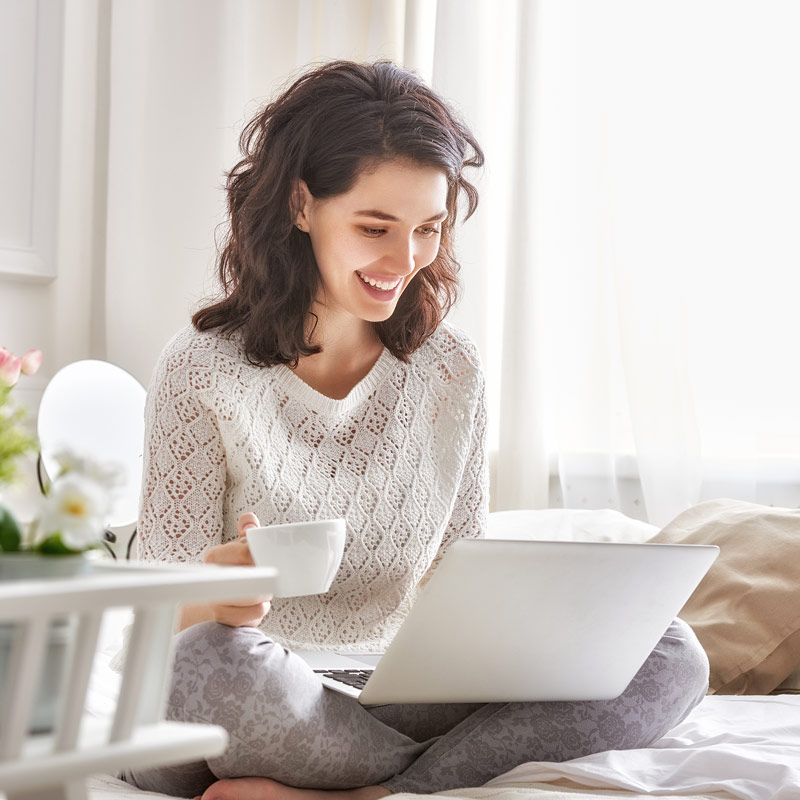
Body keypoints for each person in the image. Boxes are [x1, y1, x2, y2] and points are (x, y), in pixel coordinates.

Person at [123, 60, 709, 800]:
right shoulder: (202, 367)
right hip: (234, 688)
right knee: (209, 662)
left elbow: (454, 584)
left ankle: (377, 792)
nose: (405, 261)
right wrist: (223, 592)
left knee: (670, 651)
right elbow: (160, 618)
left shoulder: (451, 373)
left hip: (386, 693)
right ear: (301, 205)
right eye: (376, 227)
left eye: (428, 230)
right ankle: (401, 778)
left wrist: (527, 630)